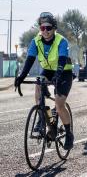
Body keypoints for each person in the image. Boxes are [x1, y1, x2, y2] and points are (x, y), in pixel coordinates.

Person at [14, 12, 74, 150]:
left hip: (63, 71)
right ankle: (42, 117)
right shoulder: (36, 41)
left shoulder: (61, 41)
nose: (45, 31)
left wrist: (58, 74)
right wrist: (22, 76)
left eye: (48, 28)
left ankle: (69, 134)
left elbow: (62, 59)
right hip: (47, 70)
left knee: (59, 105)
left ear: (54, 28)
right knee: (38, 84)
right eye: (42, 28)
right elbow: (29, 59)